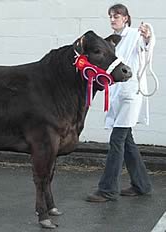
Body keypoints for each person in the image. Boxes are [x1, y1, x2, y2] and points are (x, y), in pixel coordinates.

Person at [86, 3, 155, 202]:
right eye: (110, 16)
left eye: (116, 16)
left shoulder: (135, 35)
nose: (112, 19)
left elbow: (146, 45)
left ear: (125, 18)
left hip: (130, 95)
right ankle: (142, 185)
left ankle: (107, 190)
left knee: (117, 140)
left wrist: (148, 35)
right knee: (127, 141)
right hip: (119, 95)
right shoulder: (112, 42)